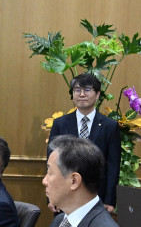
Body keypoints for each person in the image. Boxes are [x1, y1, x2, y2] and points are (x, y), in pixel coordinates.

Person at [48, 72, 121, 211]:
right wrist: (52, 197)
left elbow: (113, 166)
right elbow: (52, 164)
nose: (82, 94)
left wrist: (110, 200)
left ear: (97, 94)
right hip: (65, 195)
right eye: (77, 90)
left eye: (87, 90)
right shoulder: (60, 124)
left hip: (97, 196)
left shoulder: (110, 126)